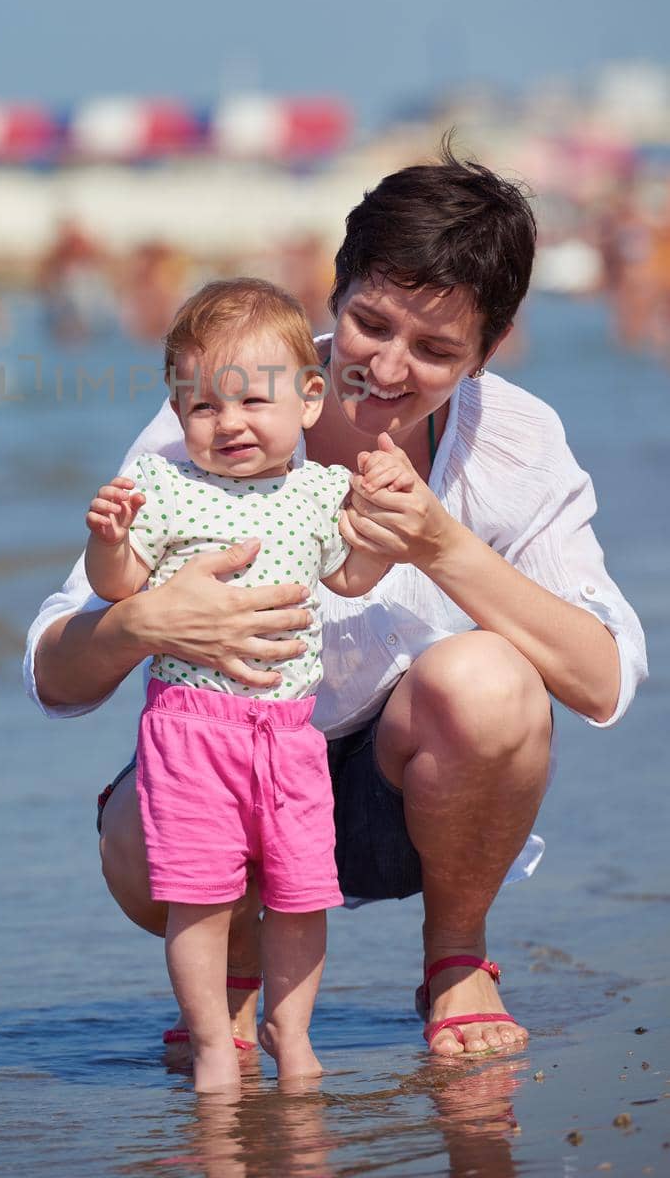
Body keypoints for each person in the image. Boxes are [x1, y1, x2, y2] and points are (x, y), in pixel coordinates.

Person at [25, 145, 647, 1061]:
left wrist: (442, 544)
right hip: (232, 784)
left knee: (487, 680)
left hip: (409, 799)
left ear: (486, 352)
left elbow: (603, 680)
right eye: (371, 324)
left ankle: (457, 960)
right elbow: (55, 675)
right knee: (130, 835)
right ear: (335, 289)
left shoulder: (515, 443)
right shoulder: (219, 416)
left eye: (436, 350)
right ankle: (235, 973)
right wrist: (138, 622)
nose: (389, 369)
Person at [83, 279, 408, 1089]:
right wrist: (109, 540)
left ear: (307, 401)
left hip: (289, 735)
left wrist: (387, 527)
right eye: (201, 407)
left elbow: (356, 576)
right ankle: (208, 1042)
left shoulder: (319, 491)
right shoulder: (162, 486)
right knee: (201, 897)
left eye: (250, 401)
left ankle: (289, 1032)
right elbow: (122, 587)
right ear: (177, 411)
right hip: (193, 732)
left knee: (300, 895)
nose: (227, 423)